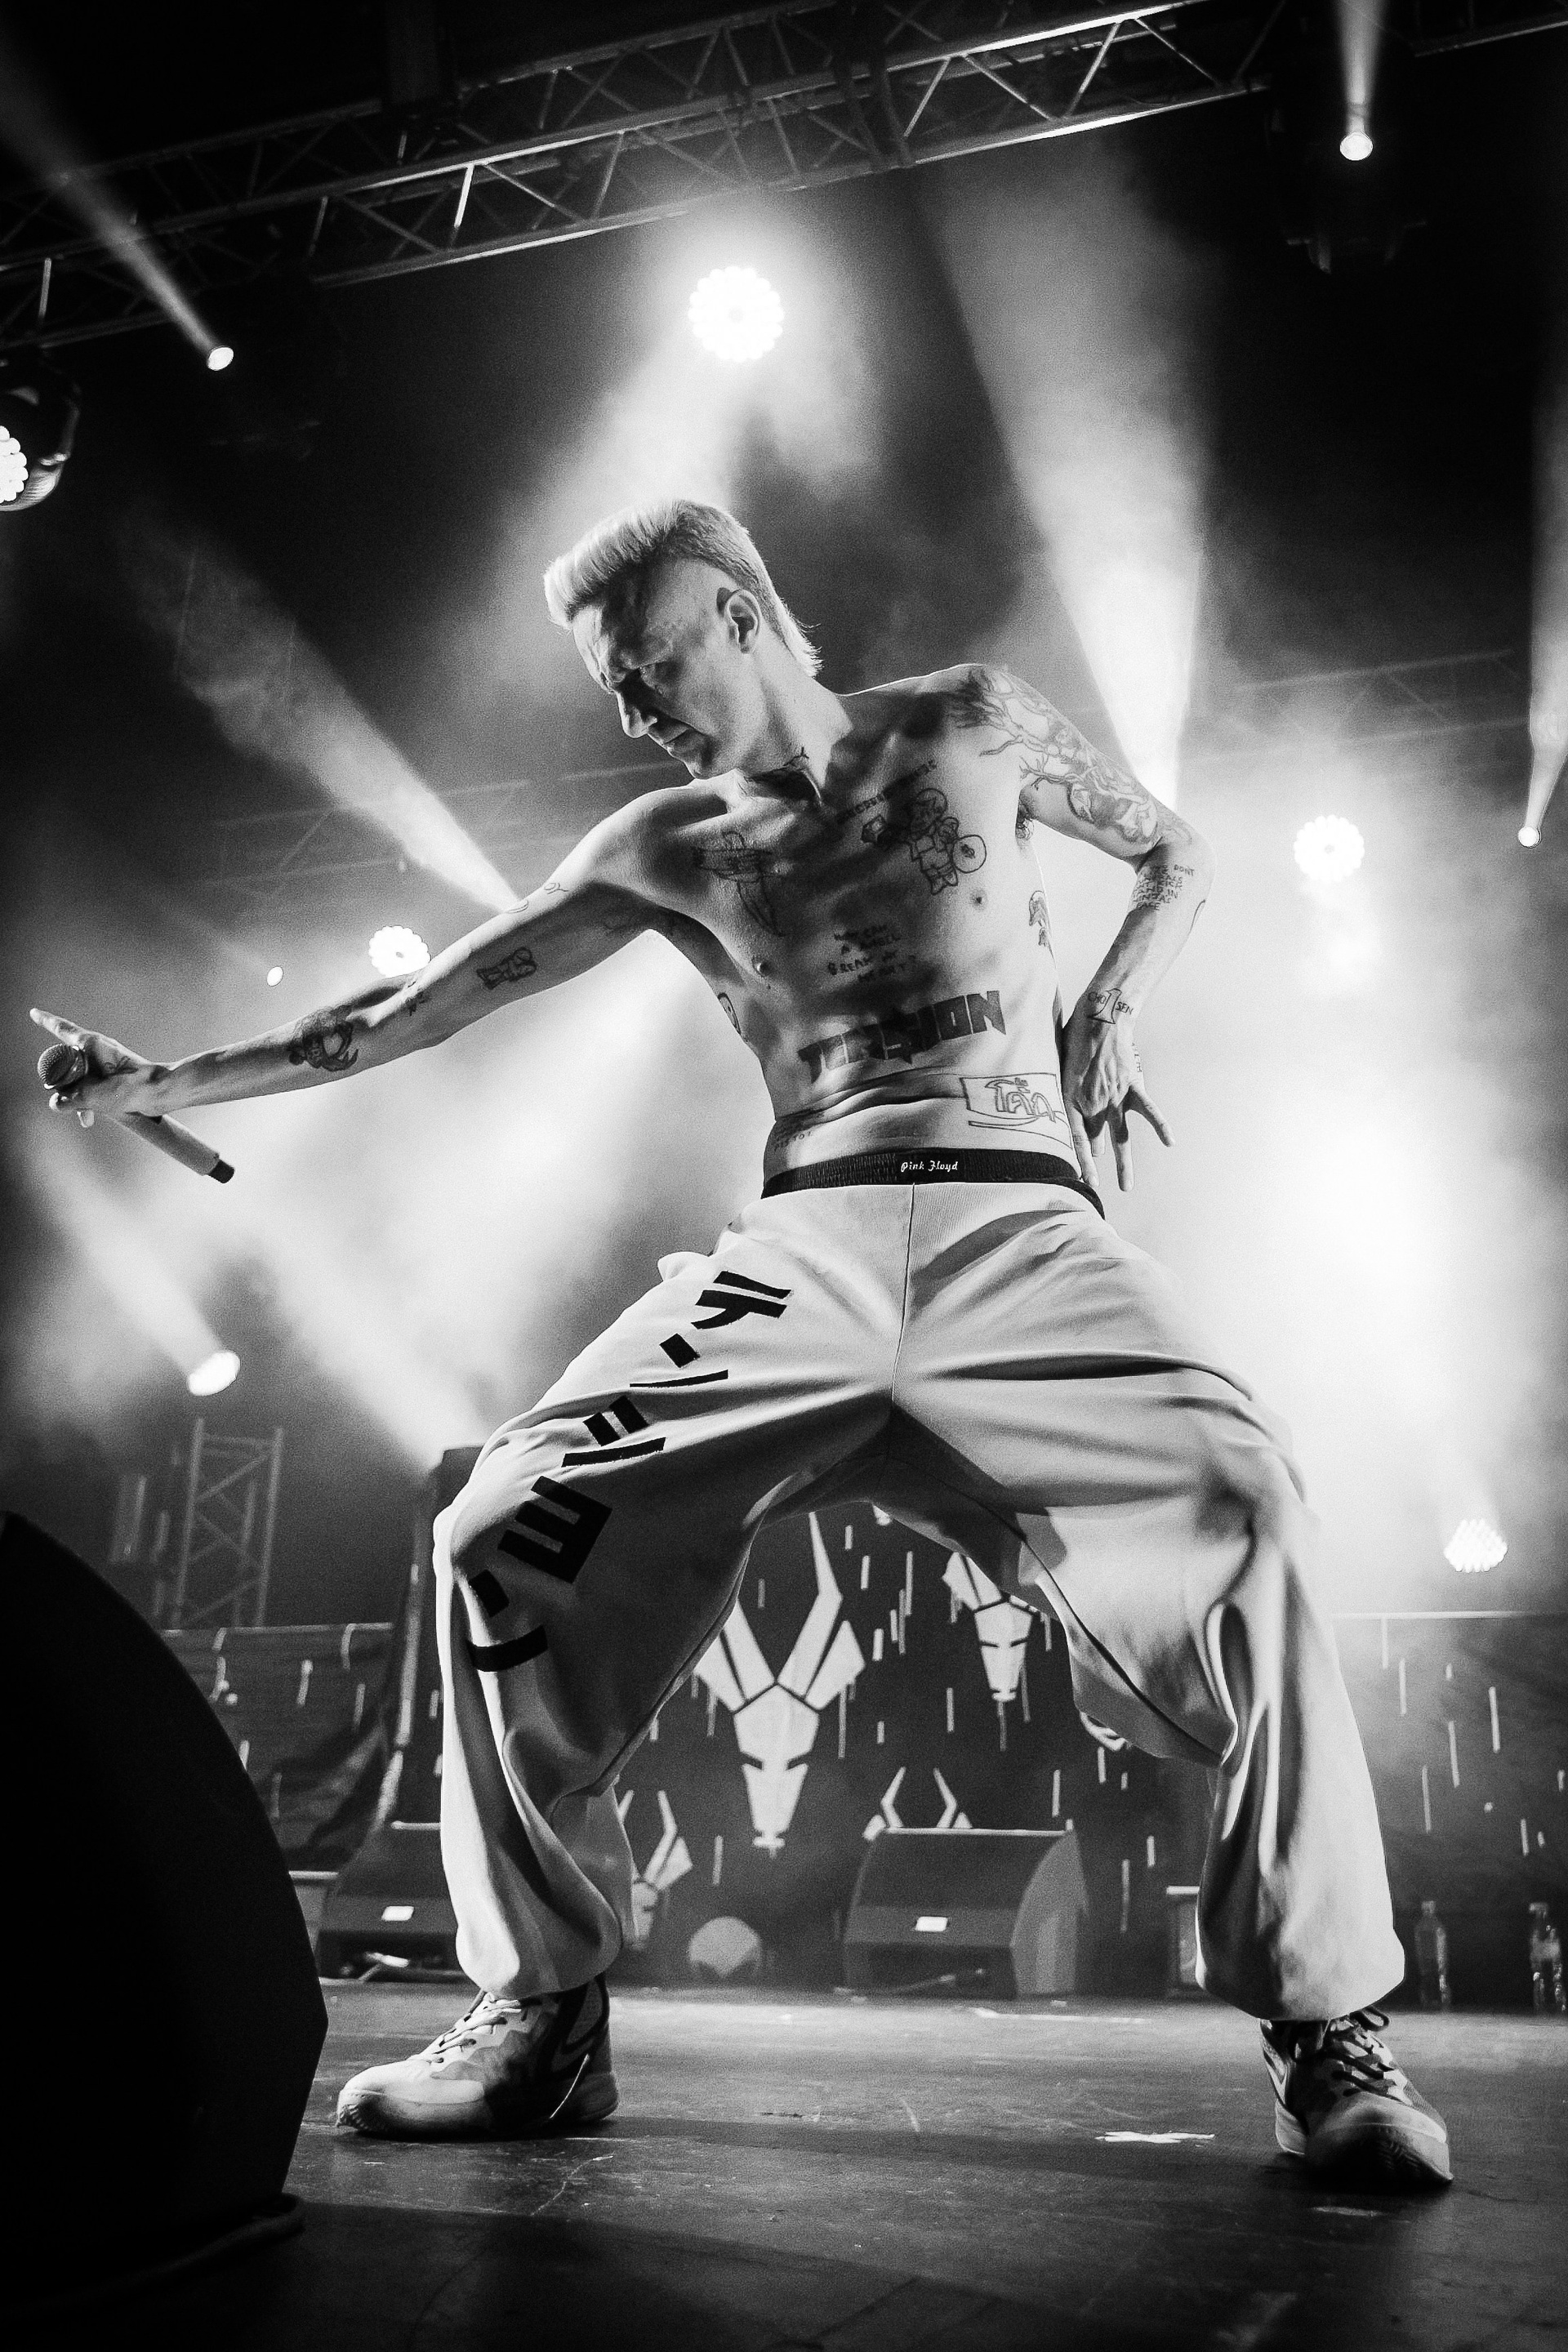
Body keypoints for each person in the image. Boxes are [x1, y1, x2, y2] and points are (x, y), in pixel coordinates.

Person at [33, 497, 1450, 2188]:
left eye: (645, 666)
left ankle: (1329, 2032)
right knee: (499, 1528)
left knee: (1250, 1504)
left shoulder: (969, 722)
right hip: (809, 1250)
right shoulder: (669, 844)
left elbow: (1177, 854)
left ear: (736, 610)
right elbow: (401, 1015)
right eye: (614, 687)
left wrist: (1110, 1006)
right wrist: (161, 1082)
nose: (633, 706)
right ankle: (541, 2015)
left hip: (1019, 1225)